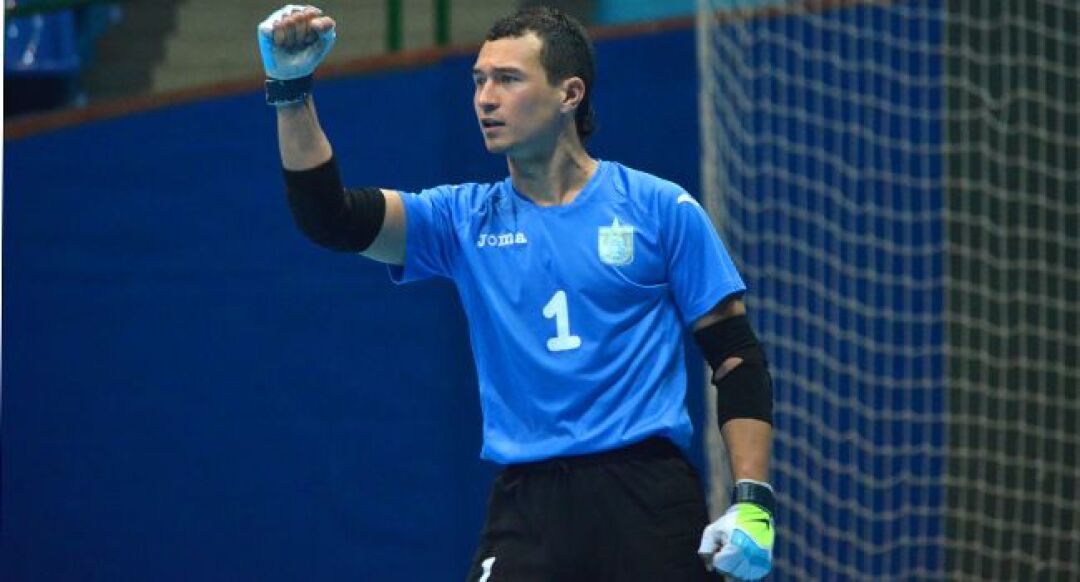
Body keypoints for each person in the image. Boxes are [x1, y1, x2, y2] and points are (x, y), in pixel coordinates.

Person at [258, 5, 776, 581]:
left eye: (507, 79)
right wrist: (290, 89)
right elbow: (328, 218)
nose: (485, 98)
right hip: (527, 505)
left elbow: (735, 355)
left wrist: (753, 502)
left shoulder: (660, 208)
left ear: (569, 93)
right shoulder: (461, 219)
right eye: (478, 80)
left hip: (645, 498)